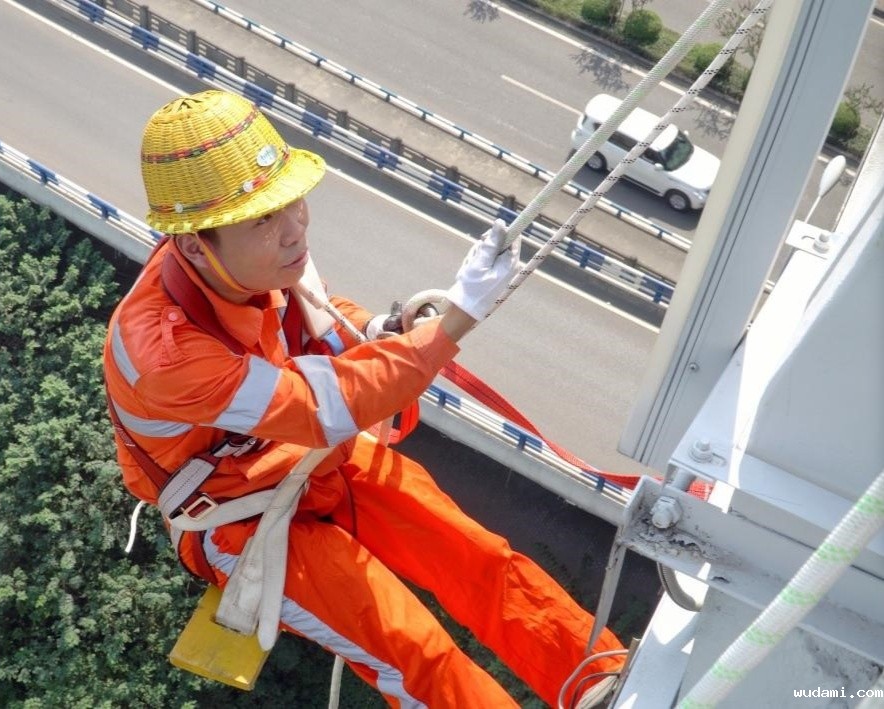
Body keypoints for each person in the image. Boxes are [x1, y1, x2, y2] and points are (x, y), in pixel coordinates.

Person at [103, 89, 624, 707]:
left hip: (312, 462)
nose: (293, 229)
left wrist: (380, 329)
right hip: (238, 518)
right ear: (193, 245)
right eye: (263, 219)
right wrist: (458, 318)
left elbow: (318, 319)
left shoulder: (256, 262)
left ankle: (603, 681)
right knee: (413, 651)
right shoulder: (164, 354)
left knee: (479, 559)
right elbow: (322, 407)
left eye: (291, 202)